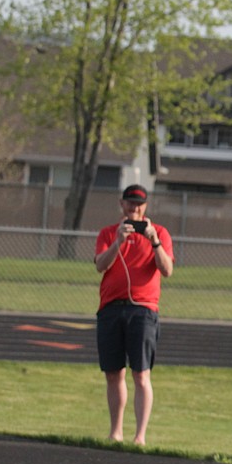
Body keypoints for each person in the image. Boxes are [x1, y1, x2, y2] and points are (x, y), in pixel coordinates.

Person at [93, 184, 174, 445]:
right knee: (113, 373)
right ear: (122, 205)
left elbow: (167, 269)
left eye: (139, 204)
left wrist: (154, 242)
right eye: (130, 204)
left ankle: (140, 436)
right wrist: (118, 241)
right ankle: (116, 431)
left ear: (146, 207)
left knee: (141, 373)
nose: (134, 209)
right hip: (112, 308)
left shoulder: (159, 233)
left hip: (143, 309)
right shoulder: (108, 233)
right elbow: (101, 265)